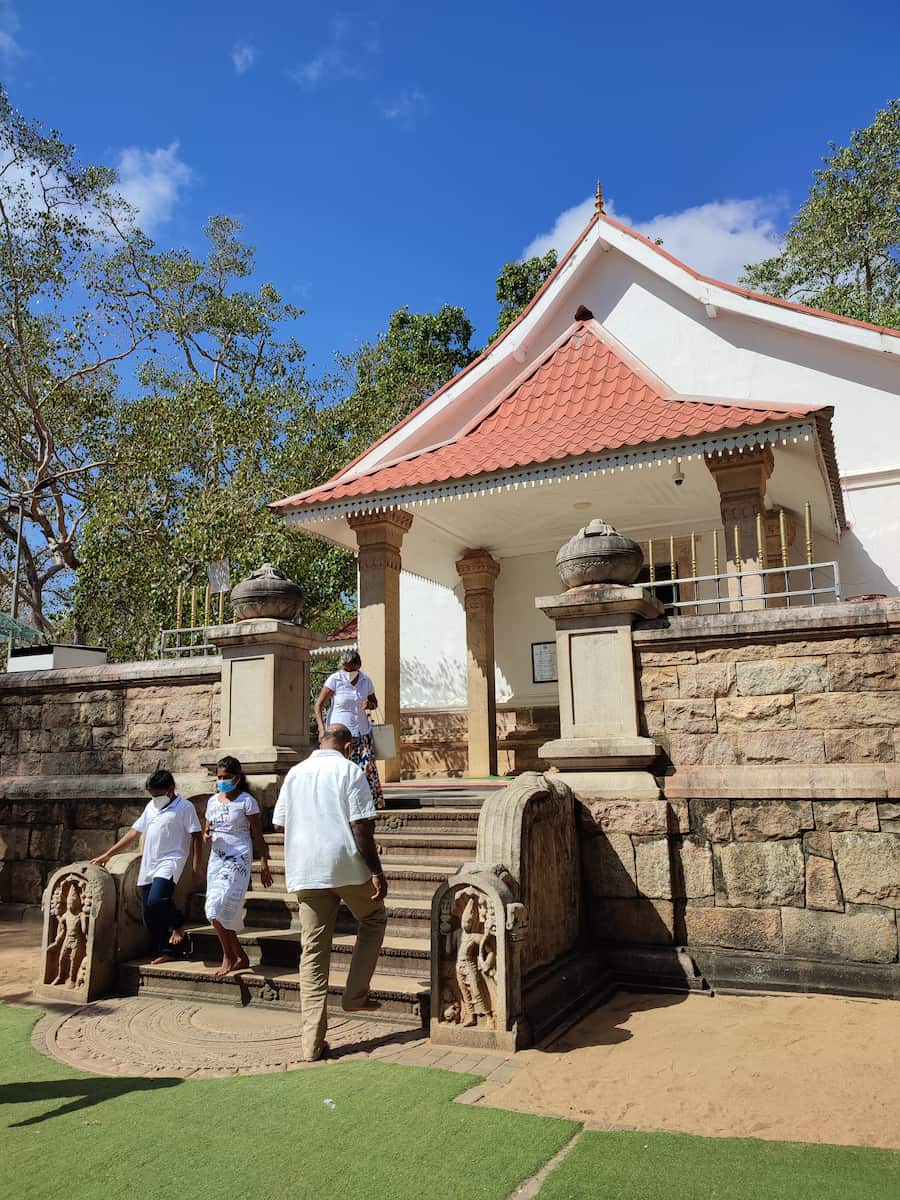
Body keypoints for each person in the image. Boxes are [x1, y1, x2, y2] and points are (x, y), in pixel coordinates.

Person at [273, 723, 388, 1062]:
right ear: (348, 746)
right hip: (345, 864)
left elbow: (280, 822)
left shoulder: (295, 773)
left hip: (305, 868)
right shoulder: (350, 771)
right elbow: (361, 826)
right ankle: (355, 995)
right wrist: (377, 871)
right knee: (374, 917)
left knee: (312, 953)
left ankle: (311, 1043)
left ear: (320, 741)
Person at [91, 768, 202, 964]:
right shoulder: (151, 807)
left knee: (157, 900)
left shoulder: (185, 807)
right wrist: (108, 854)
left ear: (170, 789)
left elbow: (196, 836)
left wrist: (196, 866)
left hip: (171, 861)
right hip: (149, 862)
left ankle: (178, 923)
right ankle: (167, 950)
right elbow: (134, 833)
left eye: (158, 794)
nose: (155, 798)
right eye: (152, 794)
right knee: (147, 913)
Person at [203, 755, 273, 977]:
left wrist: (263, 862)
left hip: (238, 858)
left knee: (220, 903)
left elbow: (258, 834)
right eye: (219, 776)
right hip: (217, 858)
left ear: (237, 777)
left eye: (226, 777)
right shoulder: (213, 801)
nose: (221, 780)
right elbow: (208, 829)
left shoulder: (246, 801)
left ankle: (228, 956)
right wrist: (206, 836)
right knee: (214, 908)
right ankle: (238, 954)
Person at [314, 651, 384, 809]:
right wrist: (321, 728)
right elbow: (318, 705)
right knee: (340, 769)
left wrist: (369, 705)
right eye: (345, 669)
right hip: (338, 734)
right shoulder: (335, 680)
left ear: (358, 667)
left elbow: (374, 702)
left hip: (361, 731)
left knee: (365, 768)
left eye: (351, 670)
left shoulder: (366, 681)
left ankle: (366, 803)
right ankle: (339, 803)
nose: (348, 673)